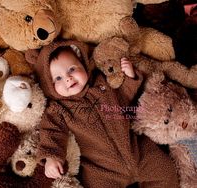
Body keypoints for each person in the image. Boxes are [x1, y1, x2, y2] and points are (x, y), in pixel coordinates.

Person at [33, 40, 179, 188]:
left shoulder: (102, 83)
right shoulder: (58, 109)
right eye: (58, 78)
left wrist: (130, 77)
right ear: (48, 86)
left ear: (83, 64)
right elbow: (51, 132)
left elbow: (123, 96)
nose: (68, 78)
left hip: (137, 151)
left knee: (166, 171)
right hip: (101, 169)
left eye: (71, 69)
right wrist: (51, 157)